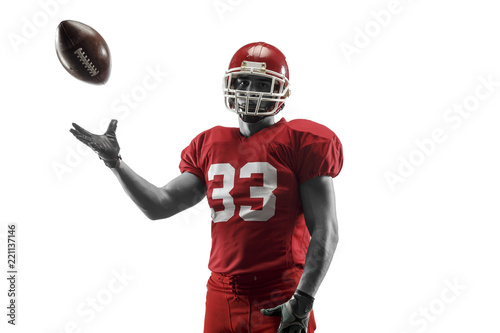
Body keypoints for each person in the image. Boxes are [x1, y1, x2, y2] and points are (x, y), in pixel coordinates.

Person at [70, 42, 343, 333]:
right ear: (229, 85)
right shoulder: (210, 144)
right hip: (221, 293)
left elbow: (326, 231)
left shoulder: (302, 141)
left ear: (282, 92)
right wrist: (115, 162)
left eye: (263, 83)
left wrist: (303, 300)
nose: (250, 90)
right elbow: (160, 204)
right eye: (243, 81)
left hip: (280, 290)